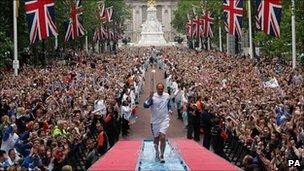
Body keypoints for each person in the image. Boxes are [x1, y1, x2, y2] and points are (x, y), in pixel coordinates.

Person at [144, 83, 172, 163]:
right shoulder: (153, 97)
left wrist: (170, 110)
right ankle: (157, 152)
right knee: (156, 139)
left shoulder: (167, 96)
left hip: (164, 119)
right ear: (156, 89)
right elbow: (145, 105)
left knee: (162, 137)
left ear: (163, 89)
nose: (160, 90)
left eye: (161, 89)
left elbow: (168, 105)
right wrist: (150, 97)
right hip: (155, 121)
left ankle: (162, 155)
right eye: (159, 89)